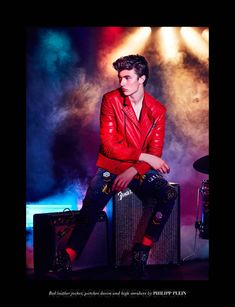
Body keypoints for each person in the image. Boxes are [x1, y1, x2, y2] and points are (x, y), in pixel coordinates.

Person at [53, 54, 178, 277]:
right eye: (120, 78)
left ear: (142, 79)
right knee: (91, 206)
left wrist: (134, 169)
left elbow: (156, 151)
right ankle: (68, 256)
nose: (121, 83)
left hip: (136, 170)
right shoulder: (111, 100)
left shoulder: (157, 110)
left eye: (127, 78)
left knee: (168, 193)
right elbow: (110, 146)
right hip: (111, 167)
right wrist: (145, 158)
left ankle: (142, 251)